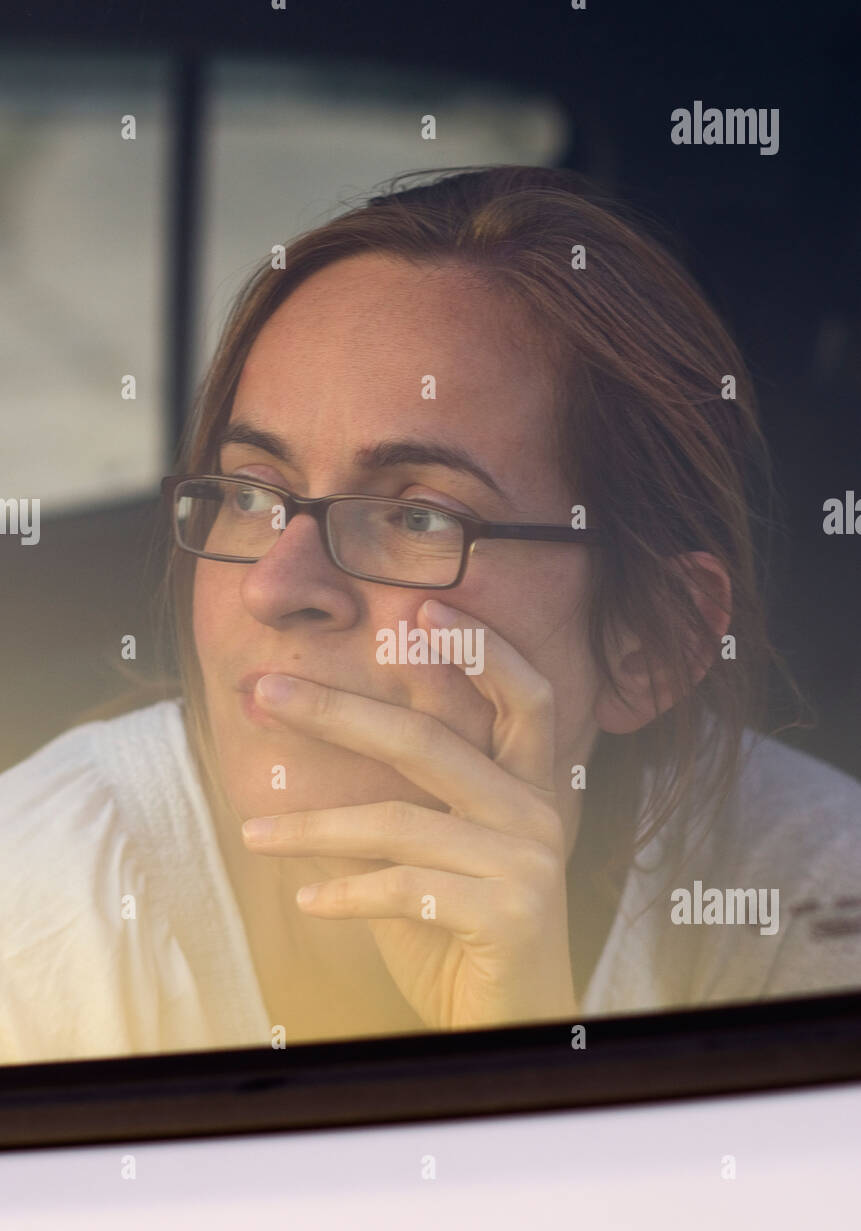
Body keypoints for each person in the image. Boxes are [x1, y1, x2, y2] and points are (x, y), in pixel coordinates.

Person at [2, 164, 860, 1065]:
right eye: (253, 495)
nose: (274, 585)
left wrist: (516, 1054)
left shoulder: (809, 913)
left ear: (653, 642)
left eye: (418, 516)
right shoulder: (35, 921)